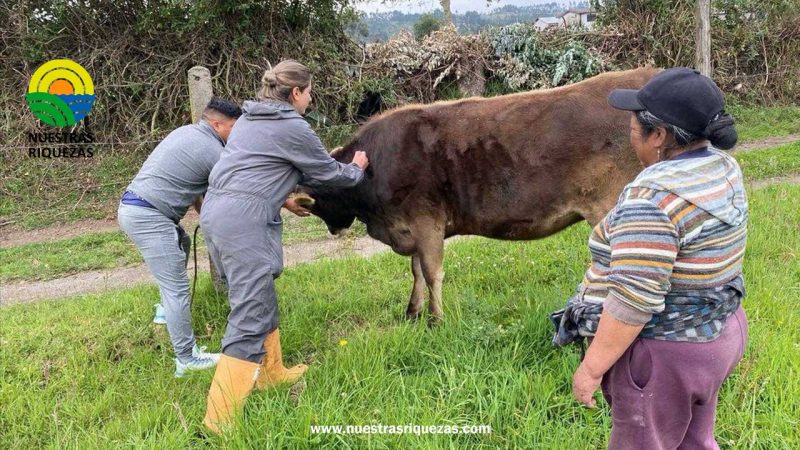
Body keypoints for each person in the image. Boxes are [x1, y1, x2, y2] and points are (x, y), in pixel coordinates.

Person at [550, 67, 748, 449]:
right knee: (694, 439)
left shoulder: (654, 202)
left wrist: (591, 369)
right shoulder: (722, 168)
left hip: (664, 356)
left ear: (658, 136)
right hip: (718, 332)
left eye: (634, 128)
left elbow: (632, 301)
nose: (630, 135)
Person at [199, 60, 369, 433]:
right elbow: (326, 173)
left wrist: (283, 197)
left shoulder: (247, 120)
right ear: (296, 93)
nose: (310, 99)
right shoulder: (293, 125)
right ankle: (219, 422)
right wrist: (356, 166)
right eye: (309, 92)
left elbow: (259, 169)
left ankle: (271, 373)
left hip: (217, 213)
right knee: (248, 313)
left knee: (256, 297)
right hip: (243, 221)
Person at [118, 98, 241, 377]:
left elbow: (197, 188)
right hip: (149, 216)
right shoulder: (213, 150)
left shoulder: (185, 133)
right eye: (234, 127)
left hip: (137, 208)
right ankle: (186, 358)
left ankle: (165, 311)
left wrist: (205, 216)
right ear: (217, 124)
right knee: (177, 289)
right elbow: (235, 188)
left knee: (182, 242)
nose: (237, 133)